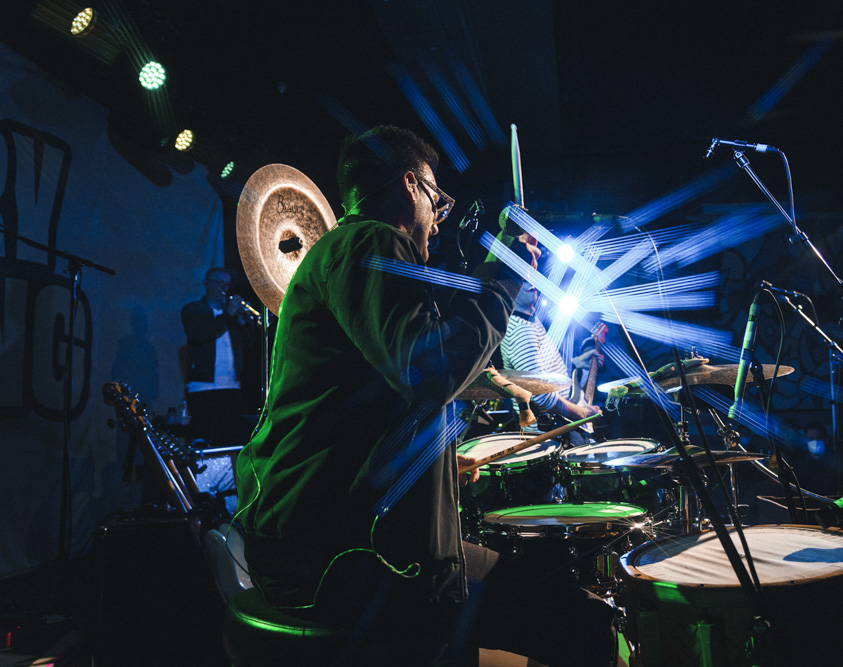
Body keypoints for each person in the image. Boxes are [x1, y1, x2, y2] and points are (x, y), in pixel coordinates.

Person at [233, 126, 618, 666]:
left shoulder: (348, 256)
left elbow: (377, 402)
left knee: (523, 597)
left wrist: (433, 466)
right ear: (411, 185)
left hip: (323, 542)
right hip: (344, 556)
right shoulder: (369, 240)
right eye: (437, 199)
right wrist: (503, 275)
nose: (438, 218)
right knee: (578, 619)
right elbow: (432, 372)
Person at [500, 282, 603, 426]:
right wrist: (582, 413)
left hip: (561, 419)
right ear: (506, 287)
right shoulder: (520, 330)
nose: (530, 282)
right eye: (522, 279)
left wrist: (577, 363)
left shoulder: (529, 319)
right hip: (552, 430)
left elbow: (541, 369)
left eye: (531, 274)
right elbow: (541, 395)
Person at [180, 267, 255, 443]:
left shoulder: (232, 315)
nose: (224, 288)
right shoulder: (193, 310)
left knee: (228, 440)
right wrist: (228, 315)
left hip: (231, 387)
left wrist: (246, 322)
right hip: (203, 388)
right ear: (206, 284)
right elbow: (200, 335)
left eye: (227, 284)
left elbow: (247, 345)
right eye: (219, 282)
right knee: (203, 439)